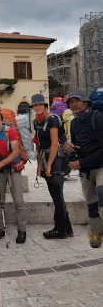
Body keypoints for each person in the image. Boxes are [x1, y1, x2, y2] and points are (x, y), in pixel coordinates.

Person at [31, 94, 73, 239]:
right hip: (45, 158)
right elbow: (38, 145)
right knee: (57, 195)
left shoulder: (52, 119)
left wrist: (48, 165)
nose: (38, 107)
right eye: (35, 105)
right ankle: (67, 228)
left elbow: (55, 144)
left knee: (57, 196)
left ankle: (60, 229)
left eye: (40, 105)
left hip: (56, 159)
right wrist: (39, 165)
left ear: (45, 106)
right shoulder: (36, 121)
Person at [65, 89, 103, 248]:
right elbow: (77, 146)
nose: (74, 104)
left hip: (100, 166)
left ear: (86, 102)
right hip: (86, 171)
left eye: (77, 100)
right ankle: (96, 231)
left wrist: (82, 163)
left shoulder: (99, 118)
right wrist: (70, 149)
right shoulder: (74, 123)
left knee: (102, 193)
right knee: (91, 203)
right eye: (71, 102)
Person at [0, 110, 27, 243]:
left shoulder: (10, 131)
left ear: (1, 120)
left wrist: (0, 164)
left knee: (18, 200)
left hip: (13, 168)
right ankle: (0, 227)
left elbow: (15, 152)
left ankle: (22, 230)